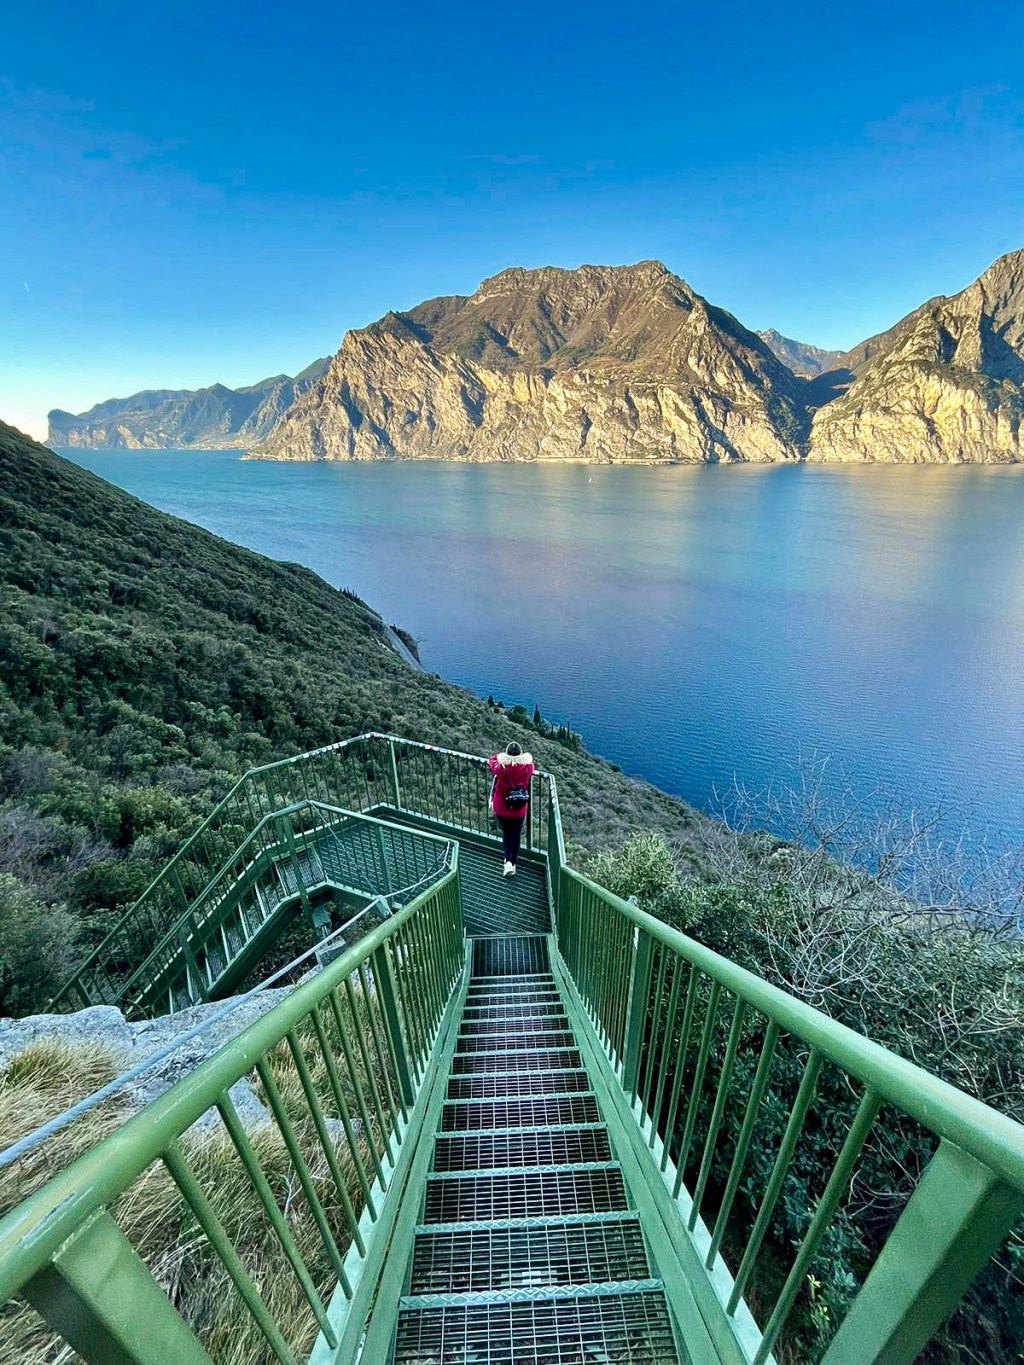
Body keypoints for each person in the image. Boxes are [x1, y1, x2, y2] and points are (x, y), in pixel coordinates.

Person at [488, 741, 535, 876]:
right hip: (519, 808)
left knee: (507, 833)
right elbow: (532, 764)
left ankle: (507, 861)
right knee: (515, 835)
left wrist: (498, 757)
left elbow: (491, 761)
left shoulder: (501, 768)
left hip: (502, 807)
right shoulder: (527, 768)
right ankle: (512, 862)